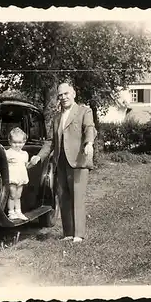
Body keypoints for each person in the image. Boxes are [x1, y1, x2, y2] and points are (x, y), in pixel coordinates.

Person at [29, 83, 97, 243]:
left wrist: (89, 144)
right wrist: (39, 156)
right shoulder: (57, 117)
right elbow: (51, 141)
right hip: (60, 162)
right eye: (60, 95)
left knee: (77, 197)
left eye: (66, 94)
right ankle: (68, 233)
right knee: (63, 197)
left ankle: (79, 235)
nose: (63, 97)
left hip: (78, 161)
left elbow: (89, 128)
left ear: (73, 93)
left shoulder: (84, 111)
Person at [5, 127, 30, 221]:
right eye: (14, 142)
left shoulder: (25, 154)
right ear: (10, 142)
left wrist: (30, 164)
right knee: (12, 195)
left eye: (20, 143)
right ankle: (11, 212)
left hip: (21, 176)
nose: (17, 145)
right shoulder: (8, 153)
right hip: (12, 177)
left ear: (24, 142)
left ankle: (18, 212)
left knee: (18, 196)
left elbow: (25, 165)